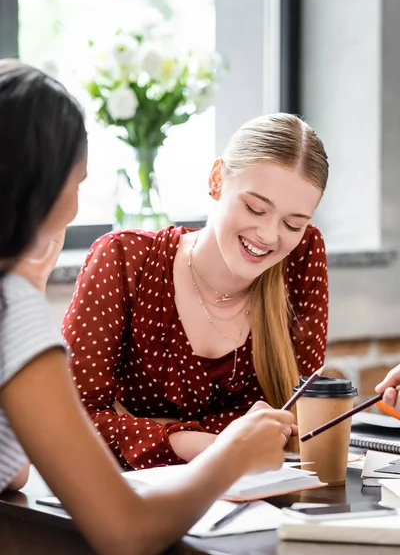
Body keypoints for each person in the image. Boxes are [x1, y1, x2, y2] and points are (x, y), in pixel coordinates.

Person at [0, 58, 295, 555]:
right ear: (39, 192)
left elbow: (14, 470)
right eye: (78, 184)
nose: (76, 206)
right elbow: (127, 532)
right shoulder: (14, 312)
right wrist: (232, 453)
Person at [64, 111, 329, 468]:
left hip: (253, 500)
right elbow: (70, 421)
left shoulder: (302, 255)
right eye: (254, 208)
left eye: (291, 223)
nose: (268, 236)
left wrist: (141, 426)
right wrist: (211, 445)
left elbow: (295, 415)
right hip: (128, 502)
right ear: (217, 180)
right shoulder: (124, 259)